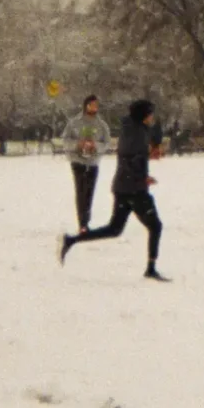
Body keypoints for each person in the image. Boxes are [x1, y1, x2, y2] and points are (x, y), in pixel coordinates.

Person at [60, 98, 168, 279]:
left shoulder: (132, 129)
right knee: (155, 226)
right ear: (143, 116)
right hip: (134, 189)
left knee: (114, 229)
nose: (152, 118)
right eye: (150, 114)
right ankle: (151, 268)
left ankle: (71, 240)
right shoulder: (137, 135)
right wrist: (143, 177)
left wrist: (148, 157)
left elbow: (137, 153)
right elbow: (132, 159)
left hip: (123, 186)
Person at [58, 94, 111, 232]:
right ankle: (82, 223)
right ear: (85, 105)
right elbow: (65, 141)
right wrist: (78, 144)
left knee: (89, 191)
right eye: (91, 104)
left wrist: (96, 146)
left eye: (96, 105)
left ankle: (86, 220)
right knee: (81, 190)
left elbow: (106, 143)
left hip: (93, 162)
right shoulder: (74, 123)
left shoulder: (101, 125)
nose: (94, 107)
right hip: (78, 162)